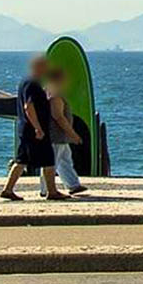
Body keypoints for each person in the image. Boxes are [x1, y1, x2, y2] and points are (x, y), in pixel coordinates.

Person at [0, 55, 65, 201]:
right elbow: (28, 107)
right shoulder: (33, 84)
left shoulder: (26, 82)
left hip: (25, 128)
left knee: (22, 160)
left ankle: (8, 189)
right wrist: (38, 128)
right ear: (38, 67)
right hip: (34, 130)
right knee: (48, 159)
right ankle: (52, 191)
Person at [40, 66, 86, 196]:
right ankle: (45, 189)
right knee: (51, 162)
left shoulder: (46, 92)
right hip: (56, 135)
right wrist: (73, 134)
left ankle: (73, 184)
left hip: (59, 136)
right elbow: (58, 116)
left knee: (65, 160)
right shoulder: (55, 95)